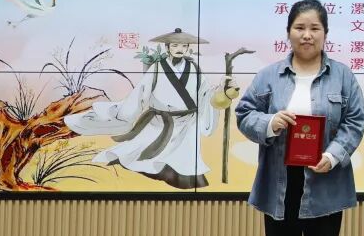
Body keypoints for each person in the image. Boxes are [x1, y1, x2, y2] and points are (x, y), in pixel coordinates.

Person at [235, 0, 364, 236]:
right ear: (289, 32)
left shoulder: (342, 76)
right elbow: (244, 113)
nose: (307, 35)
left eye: (314, 28)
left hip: (325, 179)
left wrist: (334, 155)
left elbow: (355, 121)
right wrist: (269, 123)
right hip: (280, 181)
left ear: (325, 34)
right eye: (300, 28)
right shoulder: (269, 76)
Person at [65, 28, 237, 189]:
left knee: (186, 157)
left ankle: (187, 180)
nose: (179, 49)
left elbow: (205, 94)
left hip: (188, 123)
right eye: (175, 45)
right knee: (144, 153)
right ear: (167, 48)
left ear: (187, 48)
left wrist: (221, 91)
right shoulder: (157, 67)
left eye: (183, 46)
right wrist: (126, 113)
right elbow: (141, 92)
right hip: (160, 120)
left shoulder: (194, 69)